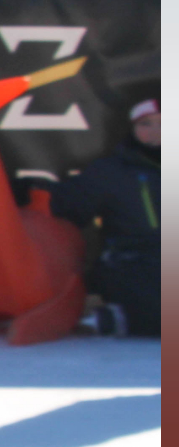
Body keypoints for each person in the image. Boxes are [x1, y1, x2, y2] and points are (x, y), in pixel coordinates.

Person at [47, 93, 159, 336]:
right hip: (132, 265)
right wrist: (31, 190)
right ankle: (116, 319)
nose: (156, 131)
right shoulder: (111, 172)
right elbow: (68, 205)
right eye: (146, 123)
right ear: (132, 130)